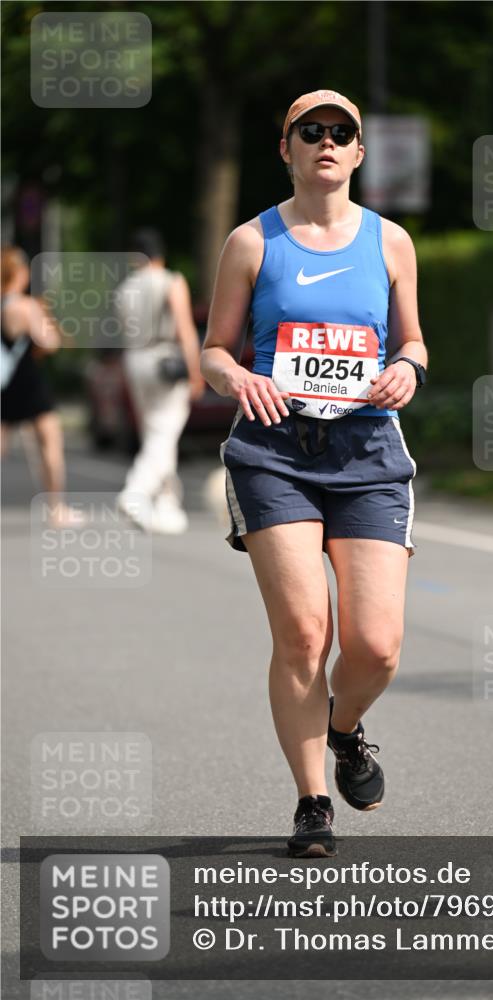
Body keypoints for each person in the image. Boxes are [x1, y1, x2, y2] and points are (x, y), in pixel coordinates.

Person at [201, 90, 428, 857]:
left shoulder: (391, 242)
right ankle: (311, 803)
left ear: (359, 153)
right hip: (272, 452)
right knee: (303, 631)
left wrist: (406, 369)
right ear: (287, 149)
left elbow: (414, 343)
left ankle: (343, 729)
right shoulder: (251, 241)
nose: (326, 142)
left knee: (376, 646)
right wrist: (236, 380)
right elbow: (212, 351)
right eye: (311, 132)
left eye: (342, 133)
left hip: (366, 453)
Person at [115, 228, 206, 534]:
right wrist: (196, 371)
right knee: (164, 432)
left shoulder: (125, 287)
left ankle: (167, 504)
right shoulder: (171, 281)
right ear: (160, 254)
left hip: (134, 358)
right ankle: (135, 492)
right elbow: (184, 328)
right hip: (164, 360)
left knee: (153, 431)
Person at [1, 245, 84, 527]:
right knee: (49, 444)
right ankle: (56, 509)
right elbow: (50, 342)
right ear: (19, 274)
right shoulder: (25, 306)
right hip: (27, 382)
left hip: (4, 383)